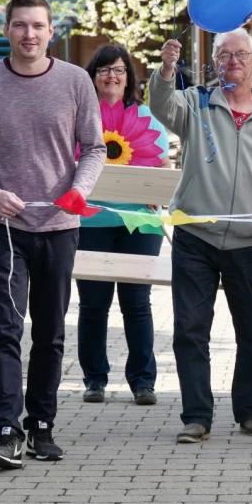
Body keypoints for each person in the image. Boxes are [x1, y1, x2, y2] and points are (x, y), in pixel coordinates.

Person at [0, 0, 106, 469]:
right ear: (8, 30)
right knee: (3, 328)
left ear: (50, 31)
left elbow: (94, 148)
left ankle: (41, 425)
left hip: (59, 226)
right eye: (20, 25)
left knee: (50, 331)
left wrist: (78, 190)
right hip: (1, 227)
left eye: (37, 26)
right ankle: (6, 432)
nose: (29, 34)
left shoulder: (76, 82)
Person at [151, 28, 252, 444]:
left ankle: (250, 412)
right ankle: (197, 417)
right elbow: (162, 106)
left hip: (250, 244)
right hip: (195, 238)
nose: (233, 61)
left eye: (241, 54)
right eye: (224, 55)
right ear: (215, 62)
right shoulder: (197, 103)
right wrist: (166, 71)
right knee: (190, 329)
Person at [76, 44, 169, 407]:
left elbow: (161, 166)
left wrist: (157, 192)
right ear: (93, 77)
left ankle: (143, 381)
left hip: (139, 226)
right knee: (93, 304)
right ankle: (94, 380)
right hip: (91, 221)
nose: (112, 76)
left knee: (137, 303)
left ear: (129, 77)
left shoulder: (147, 116)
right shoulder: (80, 116)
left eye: (119, 70)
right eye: (103, 70)